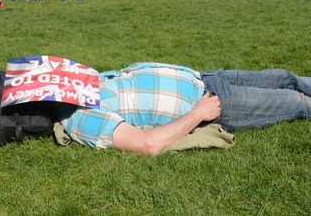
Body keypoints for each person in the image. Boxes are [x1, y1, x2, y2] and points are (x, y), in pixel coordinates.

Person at [58, 62, 311, 154]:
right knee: (295, 102)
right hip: (214, 102)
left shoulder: (80, 82)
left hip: (207, 77)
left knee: (289, 78)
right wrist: (199, 114)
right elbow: (147, 144)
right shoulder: (78, 118)